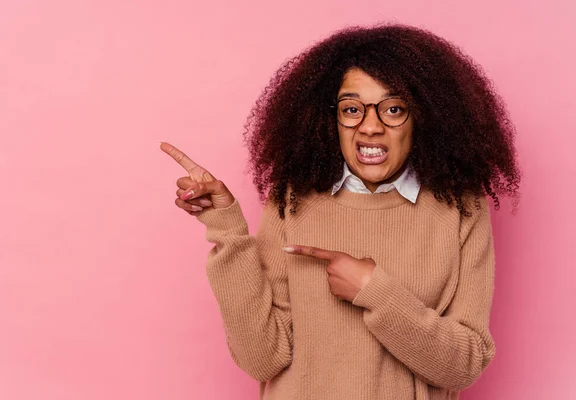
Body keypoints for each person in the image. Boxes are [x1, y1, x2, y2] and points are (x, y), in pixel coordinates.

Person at [160, 23, 520, 400]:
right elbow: (261, 360)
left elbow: (464, 366)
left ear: (423, 117)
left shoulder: (461, 208)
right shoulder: (293, 199)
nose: (370, 127)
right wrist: (227, 229)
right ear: (328, 119)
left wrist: (375, 292)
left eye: (393, 109)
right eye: (351, 109)